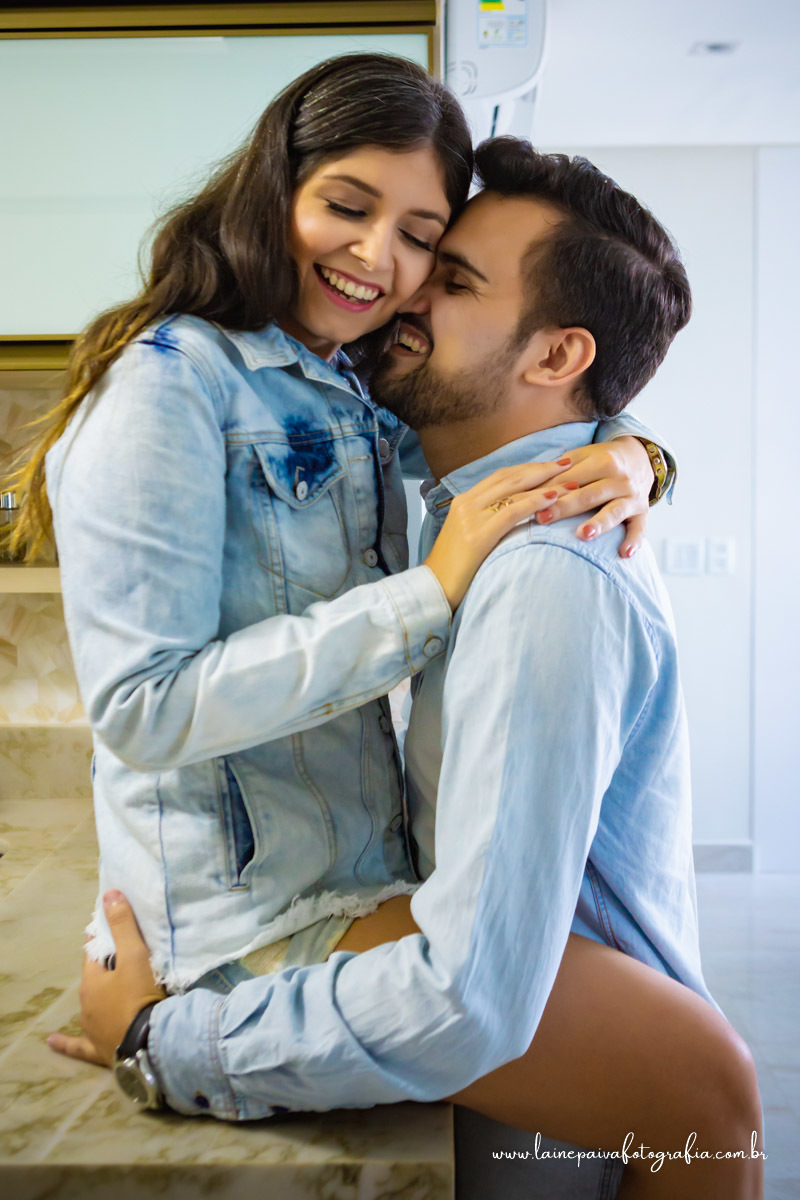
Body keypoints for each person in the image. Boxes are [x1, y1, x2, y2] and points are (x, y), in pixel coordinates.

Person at [53, 141, 763, 1199]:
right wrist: (637, 453)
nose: (402, 290)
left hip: (562, 1111)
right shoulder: (435, 481)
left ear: (553, 356)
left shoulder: (541, 577)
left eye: (448, 275)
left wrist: (165, 1041)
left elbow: (499, 1007)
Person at [13, 54, 666, 992]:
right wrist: (428, 593)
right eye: (348, 207)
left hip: (355, 885)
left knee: (605, 1006)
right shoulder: (170, 384)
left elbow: (531, 408)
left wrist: (642, 455)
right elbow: (141, 713)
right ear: (275, 190)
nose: (377, 258)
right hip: (239, 919)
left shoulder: (350, 386)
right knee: (654, 1044)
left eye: (419, 237)